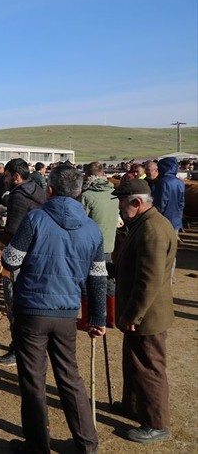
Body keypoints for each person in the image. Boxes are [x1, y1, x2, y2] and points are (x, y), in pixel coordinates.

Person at [2, 163, 106, 454]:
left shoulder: (35, 219)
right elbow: (98, 276)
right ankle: (87, 443)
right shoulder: (92, 228)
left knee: (34, 380)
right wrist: (98, 316)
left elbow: (11, 260)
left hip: (32, 310)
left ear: (49, 190)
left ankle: (38, 446)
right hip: (66, 313)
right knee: (70, 377)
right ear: (79, 191)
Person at [111, 179, 176, 444]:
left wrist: (133, 315)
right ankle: (134, 406)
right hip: (140, 311)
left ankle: (156, 423)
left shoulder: (153, 230)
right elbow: (131, 266)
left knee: (149, 368)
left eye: (122, 203)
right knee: (134, 362)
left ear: (137, 203)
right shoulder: (144, 224)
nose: (120, 208)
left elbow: (148, 280)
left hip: (146, 314)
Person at [0, 157, 48, 366]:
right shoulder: (36, 189)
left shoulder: (18, 195)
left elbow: (13, 232)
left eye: (6, 176)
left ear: (16, 176)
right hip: (38, 254)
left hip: (21, 259)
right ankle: (25, 345)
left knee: (13, 305)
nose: (4, 180)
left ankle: (18, 350)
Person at [152, 156, 185, 232]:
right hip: (176, 219)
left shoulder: (162, 182)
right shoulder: (180, 182)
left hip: (164, 219)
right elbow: (181, 203)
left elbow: (161, 202)